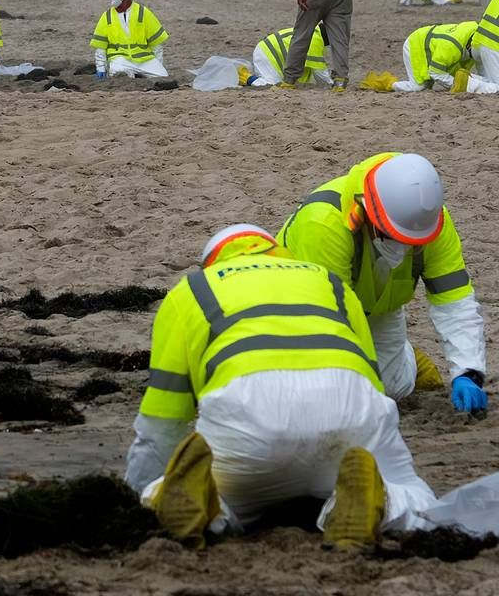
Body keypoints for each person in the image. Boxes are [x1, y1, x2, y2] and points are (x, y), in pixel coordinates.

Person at [125, 224, 436, 549]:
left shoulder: (192, 291)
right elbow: (374, 383)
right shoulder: (330, 282)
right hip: (348, 412)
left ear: (213, 263)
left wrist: (142, 494)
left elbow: (163, 424)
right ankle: (379, 503)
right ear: (275, 251)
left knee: (213, 501)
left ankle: (209, 508)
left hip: (249, 415)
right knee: (412, 493)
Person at [277, 152, 487, 412]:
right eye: (392, 235)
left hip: (377, 306)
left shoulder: (430, 222)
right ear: (366, 209)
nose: (402, 248)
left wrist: (468, 372)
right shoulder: (324, 224)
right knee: (335, 393)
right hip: (302, 313)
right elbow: (330, 323)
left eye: (411, 241)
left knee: (391, 388)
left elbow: (454, 300)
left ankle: (404, 360)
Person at [90, 0, 169, 79]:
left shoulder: (143, 12)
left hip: (143, 59)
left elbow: (156, 44)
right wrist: (101, 69)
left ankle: (137, 75)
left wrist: (158, 65)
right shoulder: (107, 16)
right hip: (120, 59)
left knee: (163, 76)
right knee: (119, 76)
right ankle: (133, 75)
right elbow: (100, 47)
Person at [390, 21, 498, 93]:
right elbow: (435, 72)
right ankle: (389, 84)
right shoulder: (451, 47)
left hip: (438, 47)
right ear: (470, 46)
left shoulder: (481, 35)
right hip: (416, 46)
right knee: (419, 87)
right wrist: (456, 85)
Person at [248, 23, 330, 87]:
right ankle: (245, 76)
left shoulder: (313, 32)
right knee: (272, 85)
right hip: (266, 53)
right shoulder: (314, 39)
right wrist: (333, 84)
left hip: (270, 52)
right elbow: (320, 73)